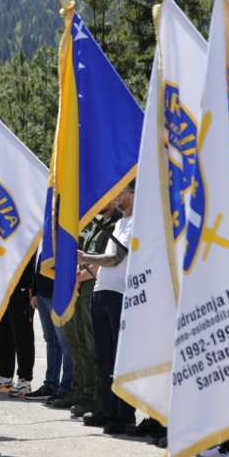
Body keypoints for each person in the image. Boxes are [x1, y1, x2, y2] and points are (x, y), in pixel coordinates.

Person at [79, 183, 135, 435]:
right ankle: (106, 408)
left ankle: (123, 414)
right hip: (102, 291)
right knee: (103, 357)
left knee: (117, 357)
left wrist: (86, 257)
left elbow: (116, 258)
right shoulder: (118, 225)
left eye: (120, 193)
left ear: (132, 195)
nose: (116, 197)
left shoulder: (135, 224)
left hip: (119, 294)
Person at [59, 201, 121, 416]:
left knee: (93, 345)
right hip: (80, 289)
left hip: (91, 287)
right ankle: (82, 392)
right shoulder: (94, 225)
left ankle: (96, 398)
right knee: (78, 344)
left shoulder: (115, 225)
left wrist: (78, 276)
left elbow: (102, 259)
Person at [26, 252, 75, 403]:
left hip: (58, 295)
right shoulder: (46, 234)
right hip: (42, 294)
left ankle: (66, 387)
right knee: (51, 341)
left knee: (65, 343)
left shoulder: (67, 230)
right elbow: (38, 264)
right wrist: (34, 292)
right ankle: (50, 384)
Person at [0, 263, 35, 395]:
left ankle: (25, 379)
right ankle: (5, 376)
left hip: (23, 286)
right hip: (5, 286)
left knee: (22, 335)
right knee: (3, 332)